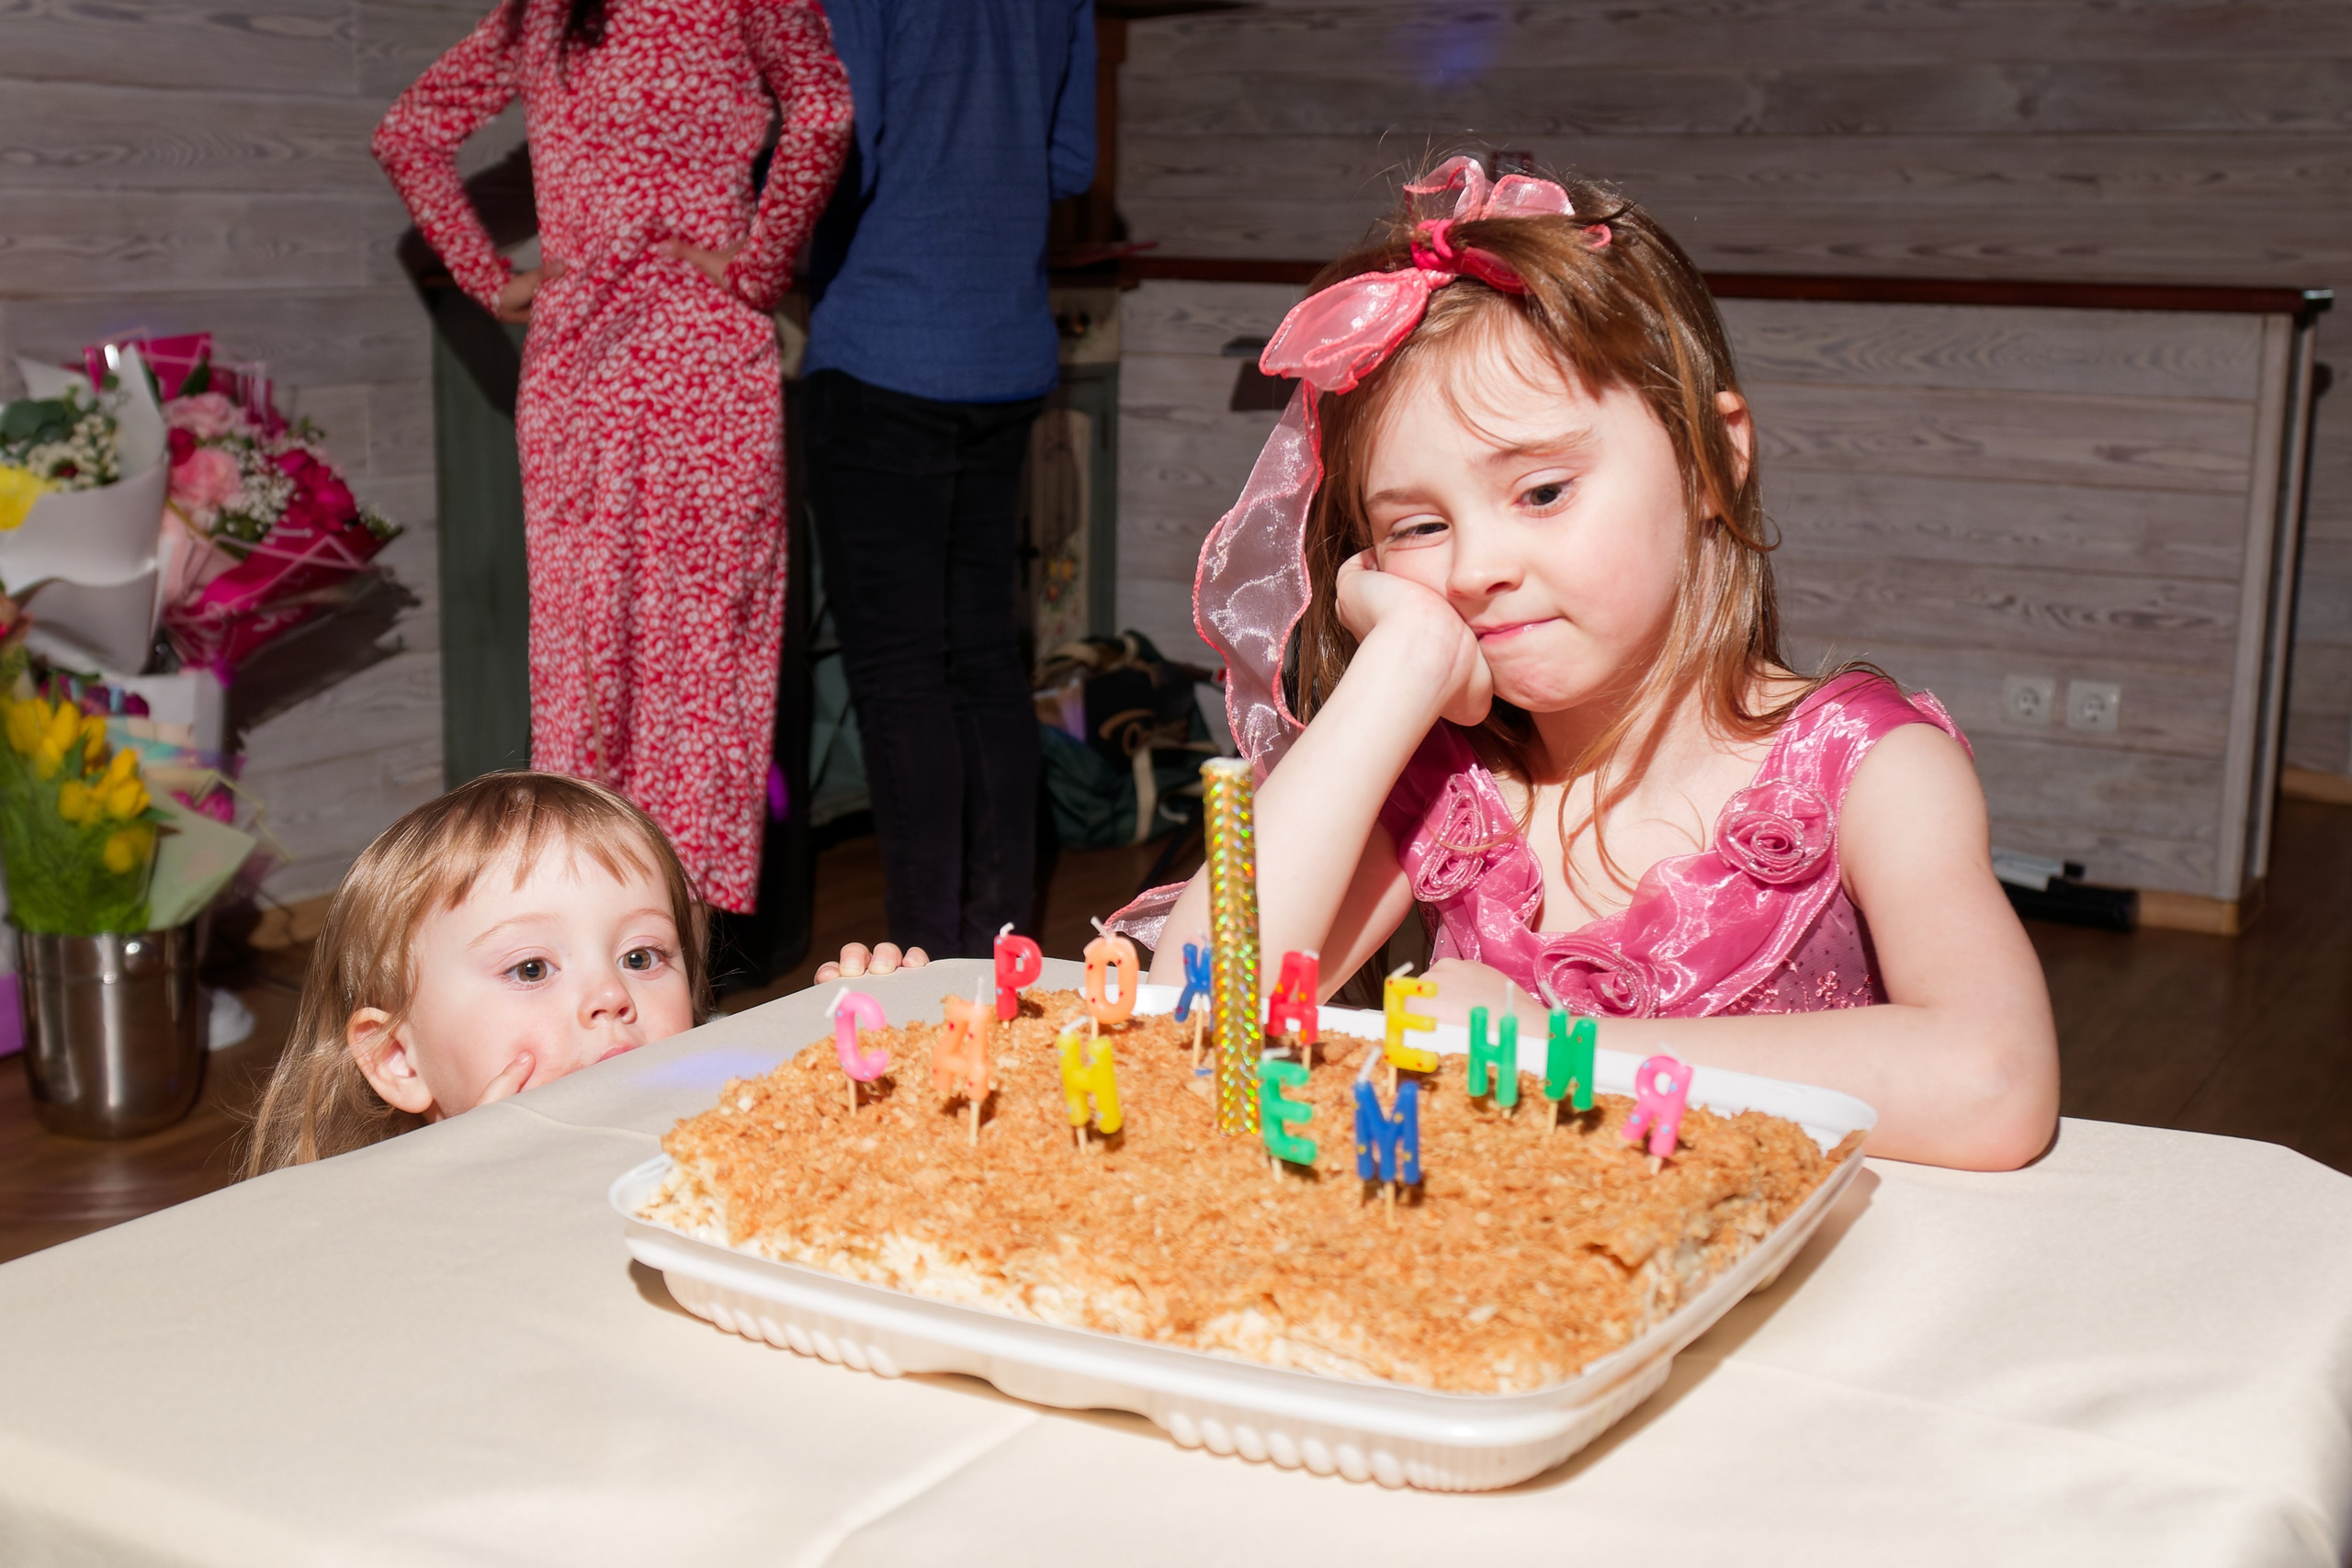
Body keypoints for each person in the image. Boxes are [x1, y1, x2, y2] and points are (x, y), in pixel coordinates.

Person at [1115, 157, 2060, 1172]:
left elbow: (1990, 1085)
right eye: (1419, 524)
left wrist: (1537, 1053)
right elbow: (1195, 1017)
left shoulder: (1869, 769)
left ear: (1710, 458)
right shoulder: (1441, 785)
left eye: (1542, 492)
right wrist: (1398, 667)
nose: (1477, 569)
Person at [371, 0, 852, 915]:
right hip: (707, 359)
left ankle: (584, 935)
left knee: (583, 663)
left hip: (581, 366)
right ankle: (675, 948)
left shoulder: (546, 9)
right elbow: (824, 114)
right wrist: (758, 269)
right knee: (707, 651)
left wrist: (490, 278)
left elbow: (409, 135)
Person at [798, 0, 1096, 960]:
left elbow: (841, 141)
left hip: (884, 341)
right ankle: (1001, 947)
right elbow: (1068, 164)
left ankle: (918, 961)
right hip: (1003, 349)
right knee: (980, 658)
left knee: (899, 675)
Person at [244, 773, 706, 1174]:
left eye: (640, 957)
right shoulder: (392, 1235)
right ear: (398, 1058)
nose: (610, 994)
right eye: (532, 969)